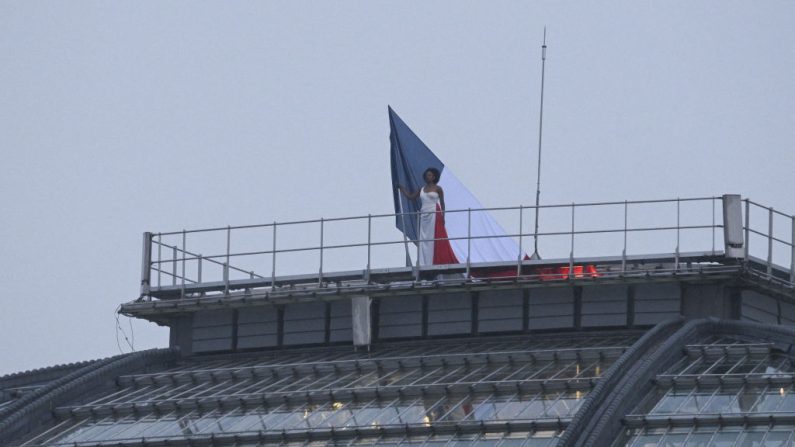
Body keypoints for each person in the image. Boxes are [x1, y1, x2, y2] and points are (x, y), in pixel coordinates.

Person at [397, 167, 458, 267]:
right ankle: (424, 262)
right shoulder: (421, 189)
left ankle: (438, 259)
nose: (427, 177)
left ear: (434, 177)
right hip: (424, 214)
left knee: (435, 237)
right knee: (425, 239)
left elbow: (442, 203)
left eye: (429, 175)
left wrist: (443, 216)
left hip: (435, 213)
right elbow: (411, 197)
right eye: (426, 175)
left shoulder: (438, 189)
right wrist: (402, 188)